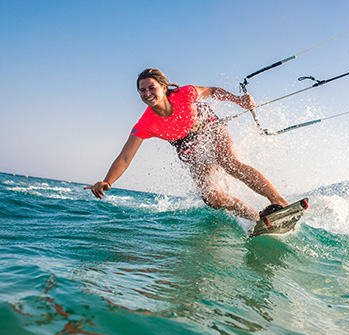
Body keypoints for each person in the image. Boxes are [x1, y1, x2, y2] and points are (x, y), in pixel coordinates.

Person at [85, 68, 289, 222]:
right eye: (142, 90)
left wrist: (238, 100)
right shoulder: (145, 124)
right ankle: (258, 218)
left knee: (230, 164)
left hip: (211, 130)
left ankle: (279, 201)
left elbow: (212, 90)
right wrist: (107, 181)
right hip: (189, 149)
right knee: (211, 198)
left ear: (164, 88)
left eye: (151, 88)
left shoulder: (185, 94)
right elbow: (125, 157)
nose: (147, 93)